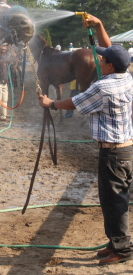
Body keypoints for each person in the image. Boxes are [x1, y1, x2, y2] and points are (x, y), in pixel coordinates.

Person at [39, 13, 133, 265]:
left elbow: (75, 103)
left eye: (103, 59)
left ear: (110, 66)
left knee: (114, 201)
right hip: (124, 150)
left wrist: (52, 103)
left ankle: (121, 250)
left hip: (112, 153)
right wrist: (100, 25)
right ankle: (115, 241)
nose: (99, 59)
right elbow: (113, 50)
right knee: (112, 199)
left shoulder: (103, 87)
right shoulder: (126, 78)